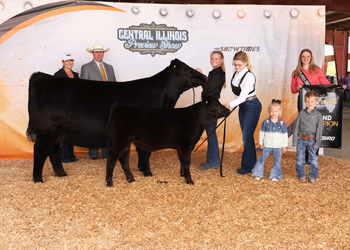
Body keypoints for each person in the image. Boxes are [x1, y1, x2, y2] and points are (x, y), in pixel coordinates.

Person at [224, 51, 262, 175]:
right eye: (235, 64)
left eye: (239, 65)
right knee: (247, 137)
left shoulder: (249, 76)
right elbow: (238, 96)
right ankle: (252, 165)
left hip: (252, 105)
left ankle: (246, 167)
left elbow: (243, 96)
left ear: (246, 63)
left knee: (246, 137)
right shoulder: (236, 73)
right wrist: (235, 103)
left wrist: (230, 104)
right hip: (243, 106)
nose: (237, 67)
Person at [81, 42, 117, 160]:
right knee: (93, 127)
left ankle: (106, 151)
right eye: (96, 52)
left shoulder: (110, 68)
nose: (99, 54)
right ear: (93, 53)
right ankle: (93, 152)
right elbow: (84, 88)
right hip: (93, 104)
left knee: (108, 127)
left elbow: (114, 86)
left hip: (109, 103)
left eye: (101, 52)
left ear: (103, 53)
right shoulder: (86, 67)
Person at [197, 51, 226, 170]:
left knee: (211, 134)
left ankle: (213, 162)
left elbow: (208, 89)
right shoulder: (215, 73)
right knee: (210, 134)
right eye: (212, 58)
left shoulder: (218, 74)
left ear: (222, 60)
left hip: (211, 108)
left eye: (216, 59)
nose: (213, 60)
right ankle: (213, 161)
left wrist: (201, 77)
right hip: (209, 106)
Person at [252, 100, 288, 181]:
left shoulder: (282, 124)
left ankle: (275, 175)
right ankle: (257, 173)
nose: (274, 113)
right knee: (262, 159)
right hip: (267, 145)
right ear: (269, 112)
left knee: (277, 161)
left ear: (279, 112)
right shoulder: (265, 122)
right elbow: (262, 133)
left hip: (278, 146)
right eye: (272, 111)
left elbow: (285, 135)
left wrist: (284, 145)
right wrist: (261, 142)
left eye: (276, 111)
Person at [293, 91, 324, 184]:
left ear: (316, 102)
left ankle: (312, 176)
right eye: (307, 101)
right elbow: (296, 127)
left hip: (312, 140)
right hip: (301, 140)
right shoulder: (301, 113)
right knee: (300, 159)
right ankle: (301, 175)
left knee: (313, 160)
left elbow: (320, 130)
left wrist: (317, 143)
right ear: (304, 102)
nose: (309, 104)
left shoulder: (318, 115)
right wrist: (295, 141)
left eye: (312, 101)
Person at [53, 53, 79, 163]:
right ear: (63, 62)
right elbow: (55, 93)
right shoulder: (58, 75)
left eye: (71, 60)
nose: (69, 63)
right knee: (62, 131)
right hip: (62, 108)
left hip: (74, 107)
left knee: (71, 131)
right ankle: (63, 157)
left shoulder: (76, 75)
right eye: (67, 61)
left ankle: (71, 156)